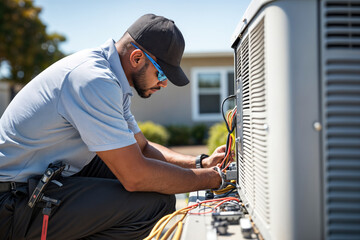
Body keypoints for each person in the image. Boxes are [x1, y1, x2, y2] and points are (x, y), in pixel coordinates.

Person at [0, 14, 228, 239]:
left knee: (157, 185)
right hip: (12, 203)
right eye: (161, 73)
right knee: (153, 204)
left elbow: (143, 149)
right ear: (137, 58)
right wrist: (213, 178)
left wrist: (200, 163)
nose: (164, 83)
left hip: (41, 180)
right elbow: (136, 176)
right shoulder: (94, 80)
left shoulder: (114, 79)